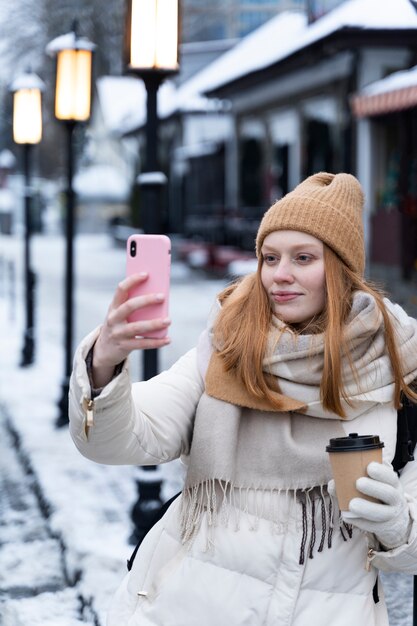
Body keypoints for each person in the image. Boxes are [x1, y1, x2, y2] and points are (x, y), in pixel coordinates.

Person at [69, 172, 417, 626]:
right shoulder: (226, 349)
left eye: (303, 257)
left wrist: (396, 525)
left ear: (340, 269)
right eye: (269, 257)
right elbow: (120, 440)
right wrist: (103, 366)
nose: (280, 274)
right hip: (189, 608)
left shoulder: (399, 367)